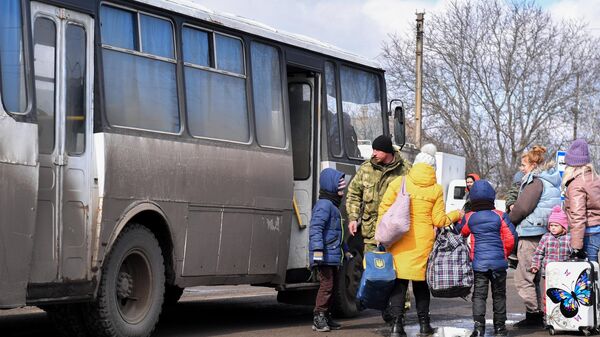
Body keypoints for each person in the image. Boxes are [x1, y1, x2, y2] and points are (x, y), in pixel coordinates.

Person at [377, 144, 462, 337]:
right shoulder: (436, 189)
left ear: (415, 165)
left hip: (399, 239)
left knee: (399, 284)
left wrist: (383, 234)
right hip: (423, 242)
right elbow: (439, 220)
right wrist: (457, 213)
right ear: (433, 169)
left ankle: (397, 326)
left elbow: (383, 210)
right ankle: (425, 326)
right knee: (421, 286)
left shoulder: (400, 182)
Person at [455, 180, 516, 337]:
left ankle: (478, 327)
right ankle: (500, 329)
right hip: (499, 264)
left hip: (479, 265)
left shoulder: (470, 217)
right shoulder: (500, 216)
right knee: (499, 295)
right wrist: (504, 254)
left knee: (479, 295)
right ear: (492, 197)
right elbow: (510, 238)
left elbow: (460, 232)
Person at [509, 145, 561, 328]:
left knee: (524, 277)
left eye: (523, 165)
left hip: (531, 233)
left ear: (532, 164)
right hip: (545, 232)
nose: (522, 169)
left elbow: (522, 208)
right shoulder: (551, 180)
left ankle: (533, 315)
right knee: (537, 276)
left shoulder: (535, 182)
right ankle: (540, 313)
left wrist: (510, 220)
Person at [346, 134, 411, 253]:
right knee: (371, 269)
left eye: (377, 150)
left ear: (387, 151)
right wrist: (353, 218)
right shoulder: (366, 168)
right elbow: (353, 194)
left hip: (395, 234)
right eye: (373, 150)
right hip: (371, 234)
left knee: (392, 270)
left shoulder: (405, 169)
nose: (373, 153)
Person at [309, 168, 346, 332]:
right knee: (327, 286)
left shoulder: (332, 206)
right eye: (340, 188)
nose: (342, 192)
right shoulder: (324, 205)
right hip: (323, 255)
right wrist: (317, 252)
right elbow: (315, 228)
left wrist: (346, 250)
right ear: (330, 187)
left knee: (333, 285)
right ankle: (319, 316)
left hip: (332, 255)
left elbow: (338, 233)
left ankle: (326, 315)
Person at [562, 139, 600, 262]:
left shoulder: (576, 184)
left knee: (590, 277)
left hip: (588, 235)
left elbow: (578, 216)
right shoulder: (596, 179)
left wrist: (576, 247)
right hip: (597, 232)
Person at [529, 205, 571, 313]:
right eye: (551, 225)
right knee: (548, 294)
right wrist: (535, 265)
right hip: (549, 273)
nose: (553, 228)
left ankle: (563, 314)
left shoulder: (568, 238)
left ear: (564, 226)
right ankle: (548, 315)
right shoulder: (546, 237)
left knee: (564, 294)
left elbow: (573, 254)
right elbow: (538, 253)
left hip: (565, 273)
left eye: (556, 225)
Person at [506, 170, 525, 269]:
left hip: (523, 214)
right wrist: (511, 205)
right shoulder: (515, 188)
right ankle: (512, 253)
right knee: (514, 233)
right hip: (515, 214)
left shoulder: (528, 188)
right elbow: (511, 196)